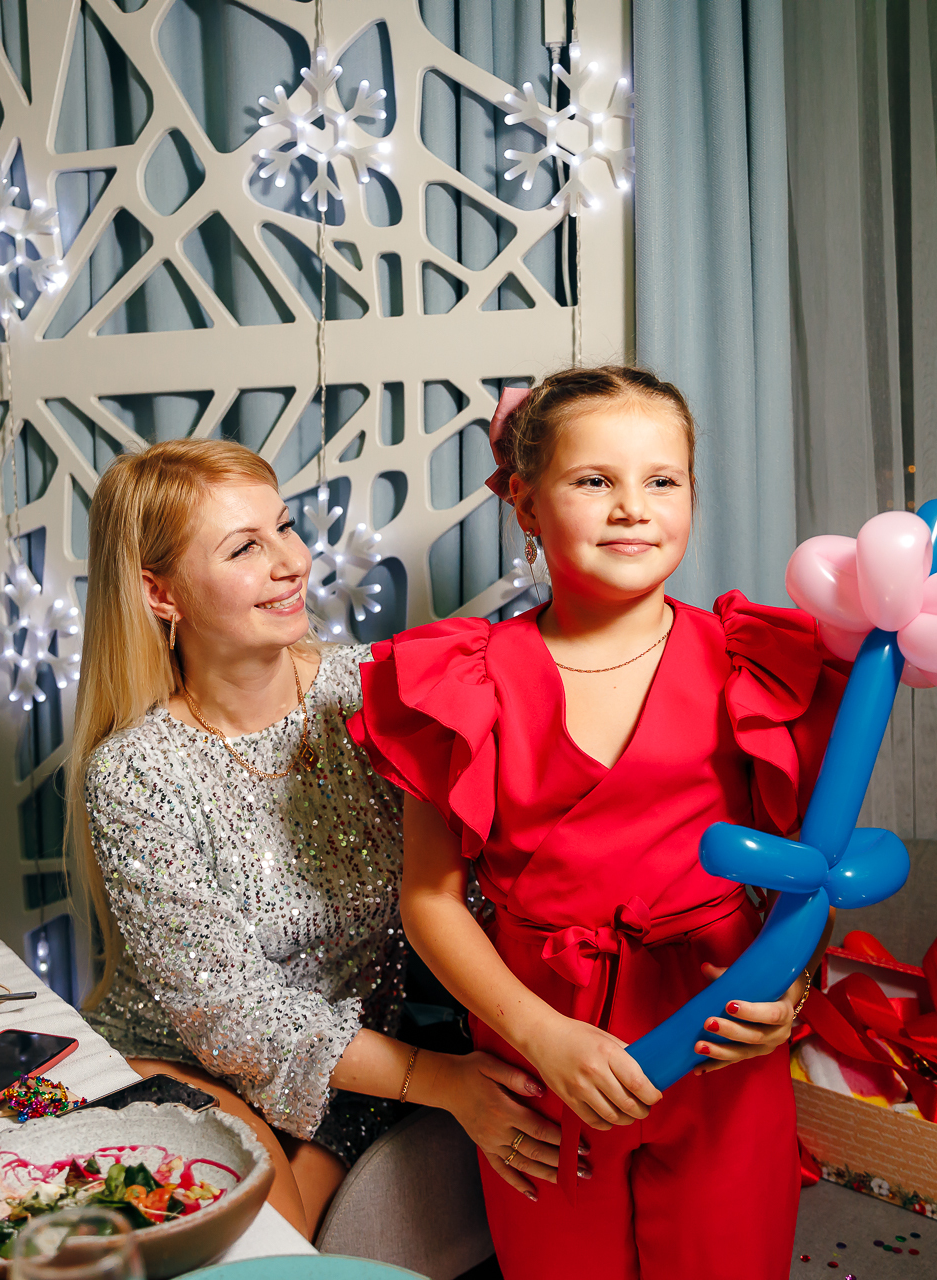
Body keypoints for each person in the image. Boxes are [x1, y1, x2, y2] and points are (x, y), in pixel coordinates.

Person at [348, 367, 847, 1278]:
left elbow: (810, 867)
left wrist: (792, 991)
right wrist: (543, 1036)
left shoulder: (753, 662)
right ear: (526, 504)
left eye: (662, 480)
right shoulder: (460, 680)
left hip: (716, 1041)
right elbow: (431, 901)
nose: (632, 509)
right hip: (540, 1051)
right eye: (593, 480)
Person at [68, 438, 572, 1240]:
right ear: (161, 594)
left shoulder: (383, 692)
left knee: (288, 1242)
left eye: (284, 527)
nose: (290, 562)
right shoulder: (135, 771)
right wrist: (448, 1083)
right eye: (243, 548)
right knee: (262, 1239)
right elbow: (230, 1017)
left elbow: (491, 880)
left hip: (356, 1056)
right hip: (183, 1053)